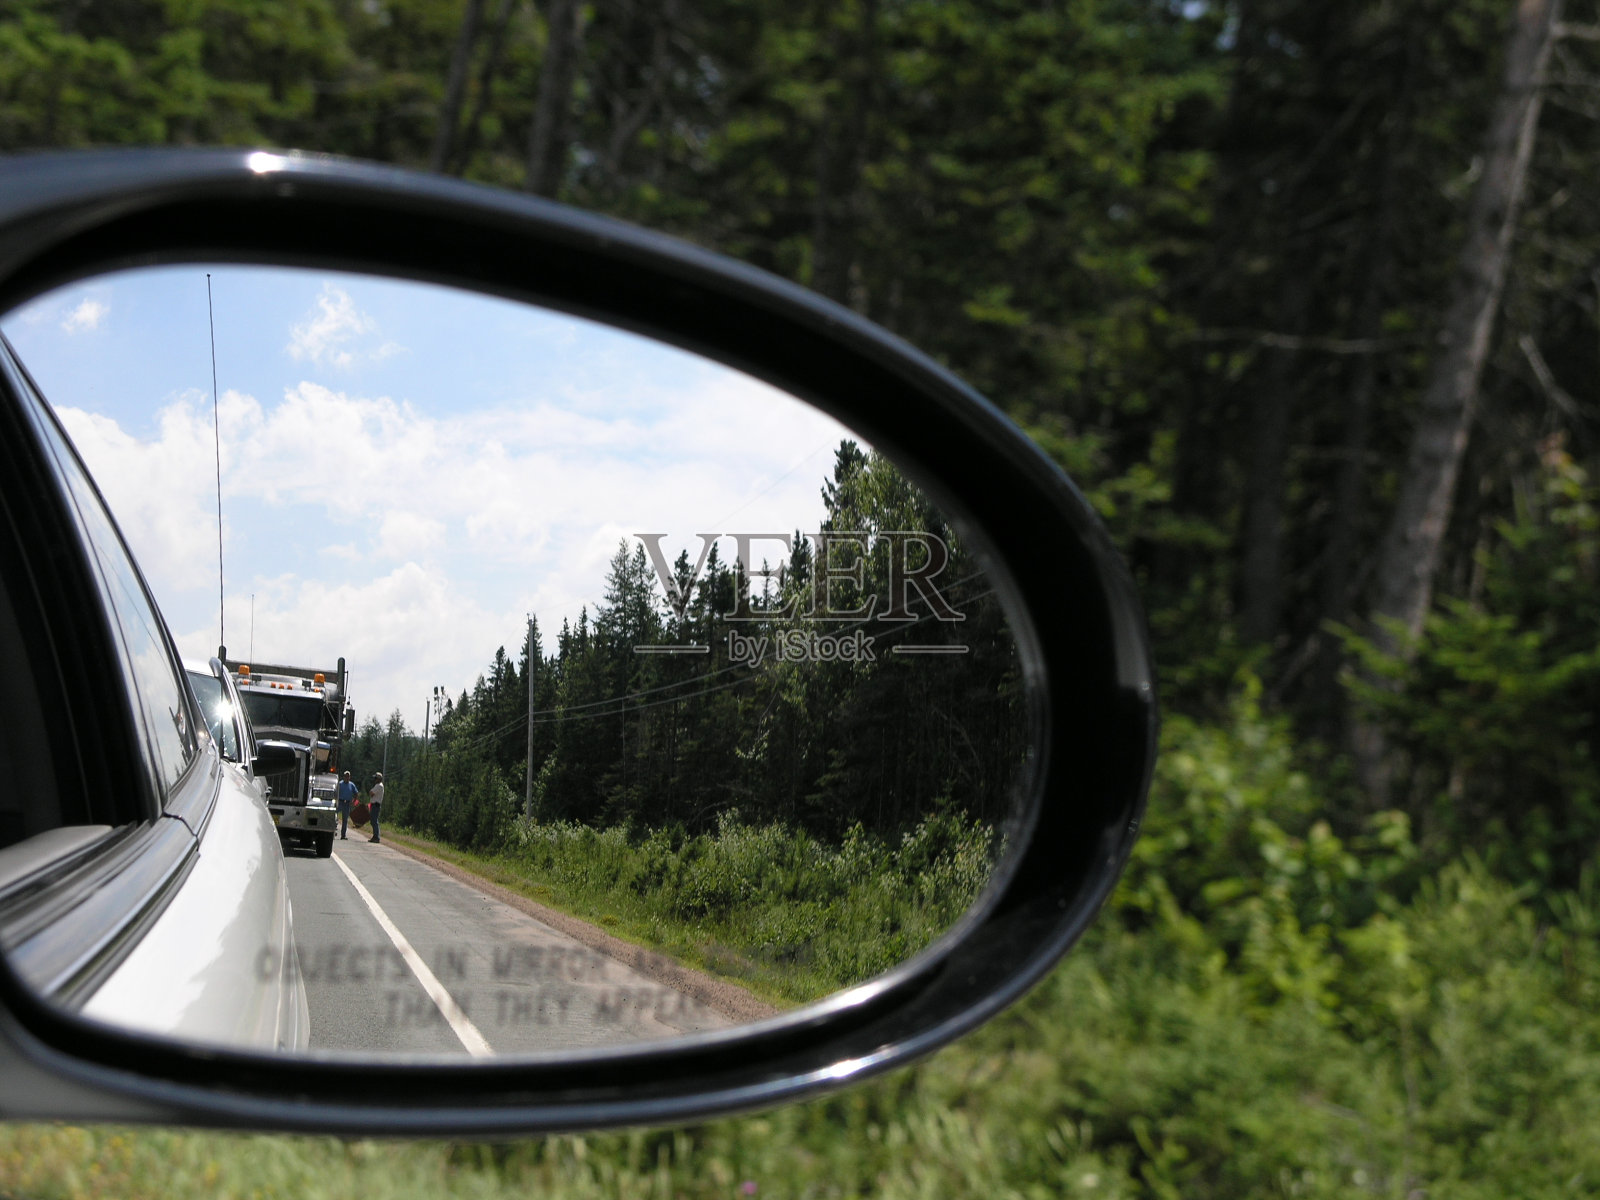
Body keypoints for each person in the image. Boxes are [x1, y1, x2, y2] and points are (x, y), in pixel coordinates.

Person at [336, 770, 358, 840]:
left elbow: (356, 793)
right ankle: (333, 830)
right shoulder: (340, 784)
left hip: (347, 803)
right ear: (343, 777)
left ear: (349, 777)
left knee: (345, 820)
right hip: (340, 802)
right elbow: (336, 792)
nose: (347, 777)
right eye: (345, 776)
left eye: (348, 776)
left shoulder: (352, 785)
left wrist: (354, 802)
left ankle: (343, 835)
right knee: (334, 815)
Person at [368, 771, 384, 843]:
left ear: (379, 779)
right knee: (373, 821)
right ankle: (375, 836)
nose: (374, 780)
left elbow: (371, 793)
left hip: (376, 805)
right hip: (374, 805)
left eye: (376, 778)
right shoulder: (378, 785)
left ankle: (376, 837)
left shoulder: (379, 786)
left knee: (374, 821)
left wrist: (371, 792)